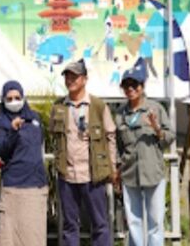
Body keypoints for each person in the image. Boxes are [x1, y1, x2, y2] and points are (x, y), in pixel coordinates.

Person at [49, 59, 117, 246]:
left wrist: (112, 168)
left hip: (92, 175)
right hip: (67, 176)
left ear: (84, 79)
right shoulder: (59, 106)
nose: (70, 80)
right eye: (67, 76)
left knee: (100, 224)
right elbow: (54, 137)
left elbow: (110, 136)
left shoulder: (98, 106)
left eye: (74, 76)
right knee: (70, 225)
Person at [115, 60, 175, 246]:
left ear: (142, 87)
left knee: (155, 221)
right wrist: (117, 170)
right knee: (133, 221)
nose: (130, 89)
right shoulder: (120, 113)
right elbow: (117, 145)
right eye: (126, 85)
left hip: (153, 172)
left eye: (134, 85)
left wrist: (157, 128)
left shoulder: (155, 108)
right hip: (129, 173)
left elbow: (169, 138)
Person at [0, 80, 48, 246]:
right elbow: (0, 149)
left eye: (17, 97)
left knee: (33, 239)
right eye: (9, 98)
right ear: (3, 101)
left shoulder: (35, 119)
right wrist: (12, 131)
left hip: (34, 187)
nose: (13, 101)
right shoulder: (1, 122)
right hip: (13, 188)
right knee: (7, 239)